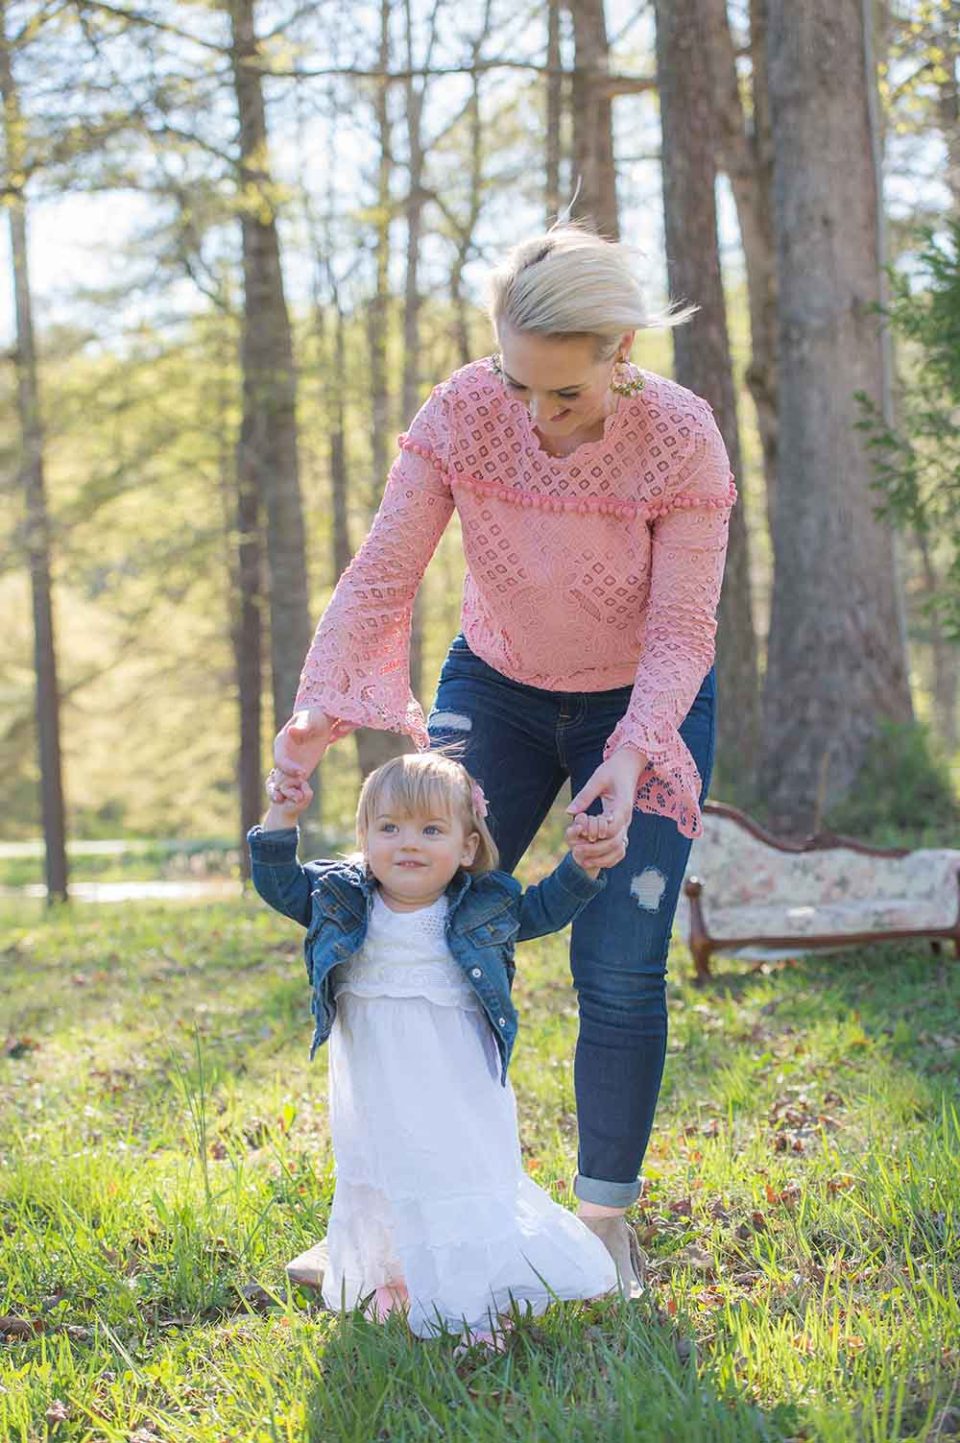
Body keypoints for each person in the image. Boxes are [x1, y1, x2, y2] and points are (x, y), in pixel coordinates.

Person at [270, 224, 735, 1293]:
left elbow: (681, 631)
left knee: (616, 967)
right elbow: (386, 569)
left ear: (621, 352)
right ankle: (386, 1217)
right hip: (499, 691)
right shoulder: (465, 413)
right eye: (516, 382)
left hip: (647, 701)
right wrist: (316, 715)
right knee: (413, 942)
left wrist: (631, 754)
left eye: (562, 394)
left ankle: (604, 1222)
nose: (536, 415)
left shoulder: (681, 437)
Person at [248, 751, 619, 1340]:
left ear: (466, 847)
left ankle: (471, 1298)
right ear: (364, 838)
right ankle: (396, 1276)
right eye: (388, 827)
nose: (407, 843)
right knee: (390, 1167)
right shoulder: (344, 899)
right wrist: (281, 814)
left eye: (430, 829)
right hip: (375, 1079)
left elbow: (542, 911)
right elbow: (277, 884)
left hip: (455, 1080)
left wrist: (583, 867)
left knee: (455, 1170)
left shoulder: (481, 904)